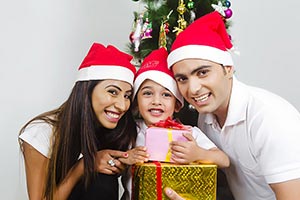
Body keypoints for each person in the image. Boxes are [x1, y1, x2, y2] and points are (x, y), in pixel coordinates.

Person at [167, 11, 300, 200]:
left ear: (228, 69)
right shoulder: (207, 117)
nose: (193, 89)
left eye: (203, 73)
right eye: (182, 79)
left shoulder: (270, 118)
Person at [18, 43, 147, 200]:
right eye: (112, 92)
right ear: (87, 90)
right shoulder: (41, 134)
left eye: (127, 96)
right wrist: (84, 166)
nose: (122, 105)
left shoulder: (121, 131)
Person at [123, 47, 229, 200]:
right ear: (136, 102)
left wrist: (197, 154)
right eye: (147, 93)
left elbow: (224, 161)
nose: (156, 101)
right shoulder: (130, 131)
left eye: (166, 94)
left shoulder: (188, 133)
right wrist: (126, 158)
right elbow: (107, 160)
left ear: (177, 105)